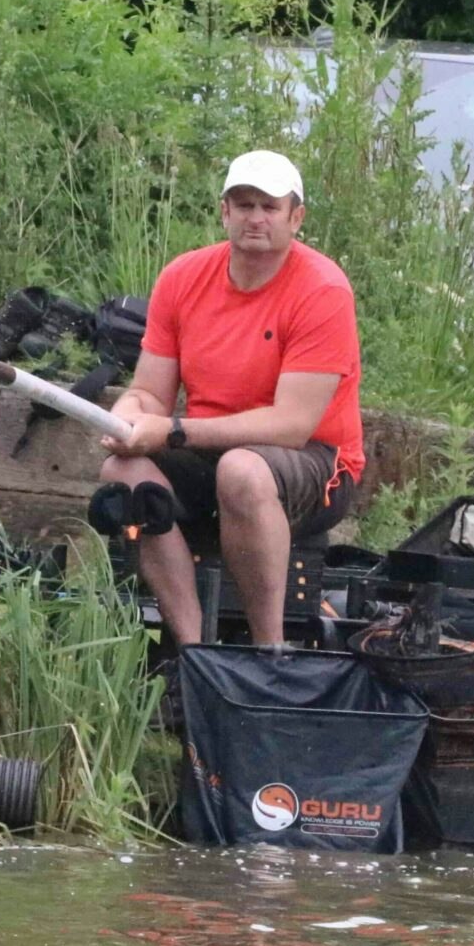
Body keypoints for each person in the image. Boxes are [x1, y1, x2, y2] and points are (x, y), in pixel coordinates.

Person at [97, 150, 365, 647]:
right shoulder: (182, 277)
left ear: (296, 217)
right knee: (123, 474)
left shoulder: (323, 289)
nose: (255, 218)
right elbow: (148, 393)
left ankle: (269, 653)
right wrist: (126, 419)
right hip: (209, 450)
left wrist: (174, 431)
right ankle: (195, 649)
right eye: (243, 205)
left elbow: (292, 426)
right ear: (224, 212)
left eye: (269, 206)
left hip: (318, 461)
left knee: (241, 471)